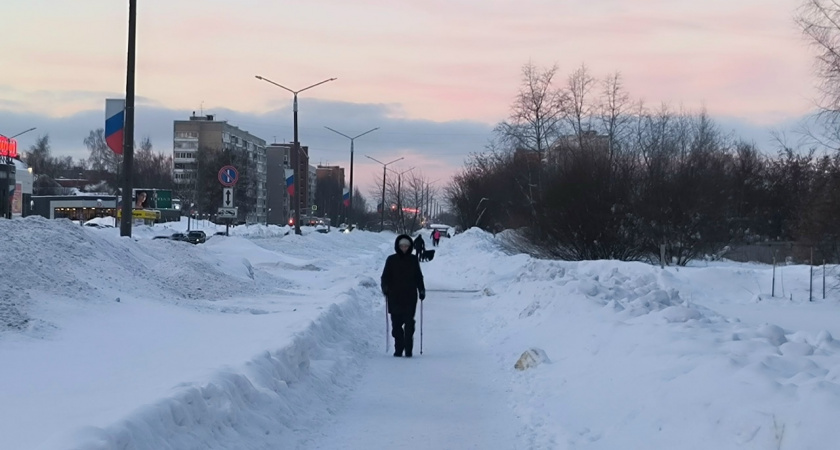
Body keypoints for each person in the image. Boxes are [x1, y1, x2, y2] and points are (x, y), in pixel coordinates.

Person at [381, 234, 426, 357]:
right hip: (394, 296)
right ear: (398, 246)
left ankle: (408, 348)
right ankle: (399, 347)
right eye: (402, 246)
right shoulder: (391, 260)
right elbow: (385, 277)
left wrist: (421, 290)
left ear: (410, 246)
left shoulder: (413, 260)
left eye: (406, 246)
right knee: (396, 326)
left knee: (409, 323)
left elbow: (418, 277)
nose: (404, 248)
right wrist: (385, 287)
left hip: (410, 296)